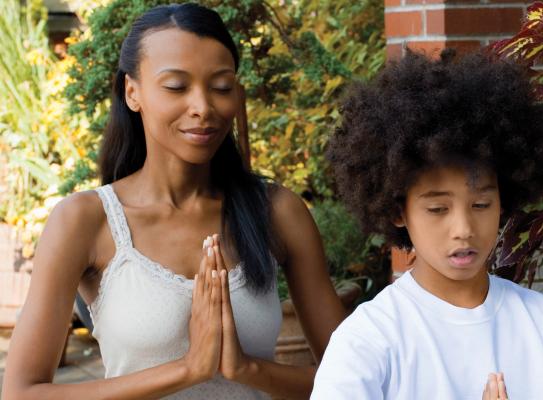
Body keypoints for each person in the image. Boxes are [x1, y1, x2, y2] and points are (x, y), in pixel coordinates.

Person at [2, 3, 345, 399]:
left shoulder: (277, 212)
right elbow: (23, 393)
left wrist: (247, 369)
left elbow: (350, 378)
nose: (203, 107)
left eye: (220, 87)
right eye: (176, 87)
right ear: (133, 91)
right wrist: (187, 369)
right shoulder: (86, 221)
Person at [311, 50, 543, 400]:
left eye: (481, 204)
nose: (463, 228)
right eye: (439, 208)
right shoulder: (368, 342)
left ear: (504, 200)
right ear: (399, 211)